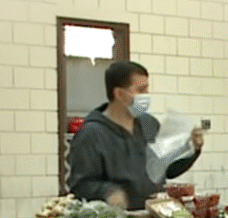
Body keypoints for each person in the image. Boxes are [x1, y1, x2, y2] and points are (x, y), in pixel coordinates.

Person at [68, 61, 205, 209]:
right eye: (140, 90)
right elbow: (81, 185)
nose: (146, 96)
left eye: (147, 90)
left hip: (155, 216)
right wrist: (108, 192)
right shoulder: (92, 134)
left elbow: (168, 169)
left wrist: (191, 149)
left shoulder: (149, 125)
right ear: (119, 94)